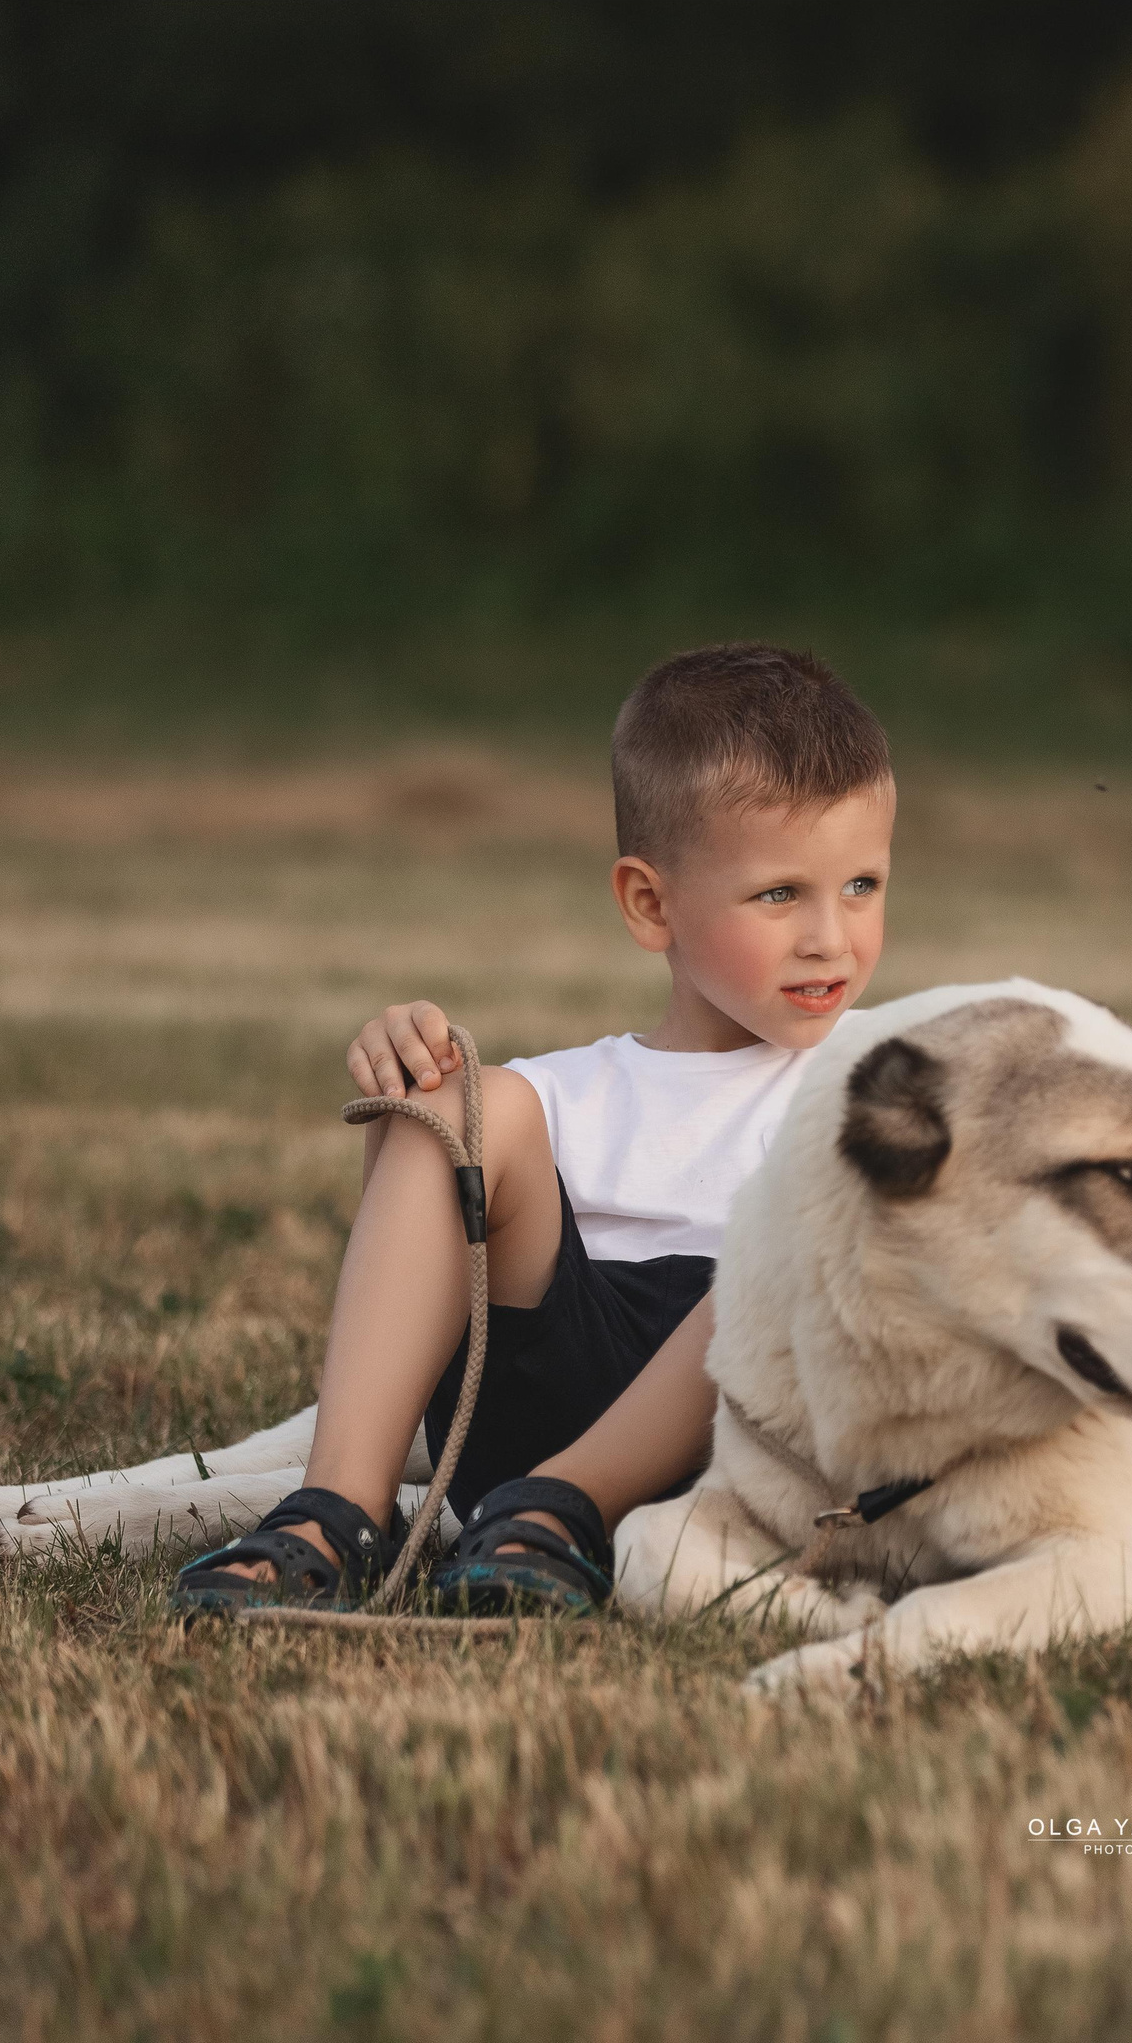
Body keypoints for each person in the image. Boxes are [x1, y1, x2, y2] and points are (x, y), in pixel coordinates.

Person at [173, 642, 896, 1613]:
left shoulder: (876, 1070)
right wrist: (415, 1081)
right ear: (651, 904)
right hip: (541, 1396)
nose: (831, 936)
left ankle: (568, 1511)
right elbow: (433, 1260)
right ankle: (335, 1512)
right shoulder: (568, 1093)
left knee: (821, 1196)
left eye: (862, 885)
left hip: (751, 1431)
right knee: (463, 1101)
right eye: (780, 893)